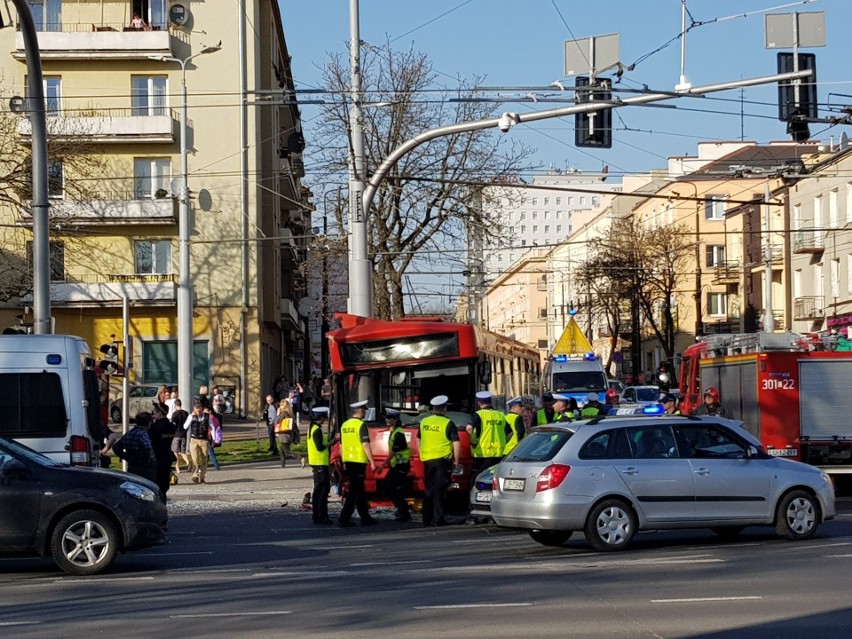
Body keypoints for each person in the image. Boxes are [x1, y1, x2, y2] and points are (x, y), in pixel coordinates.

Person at [419, 395, 461, 527]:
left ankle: (426, 518)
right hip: (442, 461)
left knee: (428, 489)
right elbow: (456, 444)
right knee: (440, 490)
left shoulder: (424, 422)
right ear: (445, 408)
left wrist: (422, 452)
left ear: (433, 408)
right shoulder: (448, 423)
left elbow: (418, 439)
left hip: (427, 460)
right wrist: (457, 461)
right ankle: (438, 519)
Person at [338, 400, 378, 527]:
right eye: (364, 410)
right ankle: (344, 518)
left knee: (360, 490)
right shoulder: (361, 425)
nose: (365, 413)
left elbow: (342, 445)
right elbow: (365, 444)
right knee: (354, 491)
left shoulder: (345, 425)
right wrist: (372, 461)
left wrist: (343, 460)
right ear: (360, 411)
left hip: (348, 461)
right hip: (358, 461)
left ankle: (365, 517)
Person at [466, 390, 508, 479]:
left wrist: (472, 441)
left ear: (479, 403)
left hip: (482, 453)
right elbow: (510, 432)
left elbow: (469, 428)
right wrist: (503, 442)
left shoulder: (479, 414)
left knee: (479, 477)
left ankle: (476, 492)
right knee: (494, 477)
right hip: (498, 453)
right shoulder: (500, 414)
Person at [381, 408, 411, 522]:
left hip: (402, 466)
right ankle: (400, 509)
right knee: (387, 487)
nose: (387, 420)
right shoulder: (393, 431)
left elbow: (393, 451)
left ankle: (404, 513)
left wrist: (383, 465)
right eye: (387, 418)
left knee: (394, 489)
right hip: (396, 465)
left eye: (390, 418)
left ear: (395, 420)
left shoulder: (399, 433)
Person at [112, 411, 156, 483]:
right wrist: (152, 462)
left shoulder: (129, 434)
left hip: (132, 466)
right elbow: (148, 449)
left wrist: (126, 457)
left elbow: (116, 447)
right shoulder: (143, 435)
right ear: (149, 423)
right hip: (145, 468)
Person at [307, 406, 333, 525]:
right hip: (320, 463)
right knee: (323, 490)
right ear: (320, 418)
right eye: (324, 417)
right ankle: (322, 515)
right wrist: (333, 441)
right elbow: (320, 447)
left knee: (318, 490)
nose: (325, 420)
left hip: (315, 463)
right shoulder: (316, 430)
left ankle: (316, 515)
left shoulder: (311, 428)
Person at [148, 405, 177, 498]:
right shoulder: (171, 426)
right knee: (164, 485)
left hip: (156, 458)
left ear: (159, 413)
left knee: (155, 484)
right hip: (167, 457)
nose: (153, 415)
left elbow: (150, 441)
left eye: (154, 413)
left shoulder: (155, 427)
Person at [184, 401, 212, 484]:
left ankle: (200, 477)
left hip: (204, 440)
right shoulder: (191, 416)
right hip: (194, 440)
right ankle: (197, 472)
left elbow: (212, 427)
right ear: (194, 410)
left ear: (202, 409)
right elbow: (185, 426)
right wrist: (191, 418)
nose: (198, 412)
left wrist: (213, 438)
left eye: (199, 411)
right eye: (196, 411)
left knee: (204, 460)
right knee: (195, 459)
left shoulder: (207, 417)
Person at [170, 398, 190, 474]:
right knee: (182, 451)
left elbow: (173, 425)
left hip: (176, 434)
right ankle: (188, 462)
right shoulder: (186, 413)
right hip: (183, 434)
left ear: (175, 405)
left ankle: (177, 467)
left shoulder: (175, 414)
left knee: (175, 451)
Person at [274, 398, 295, 467]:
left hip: (284, 434)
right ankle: (282, 464)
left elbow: (276, 421)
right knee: (281, 450)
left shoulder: (283, 413)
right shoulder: (290, 413)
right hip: (289, 433)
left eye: (281, 405)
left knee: (287, 451)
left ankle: (300, 457)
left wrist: (277, 414)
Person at [205, 407, 221, 471]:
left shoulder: (210, 418)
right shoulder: (215, 418)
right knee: (207, 452)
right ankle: (205, 465)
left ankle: (217, 466)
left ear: (209, 411)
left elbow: (211, 428)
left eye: (205, 411)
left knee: (210, 452)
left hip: (209, 436)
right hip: (212, 437)